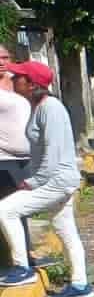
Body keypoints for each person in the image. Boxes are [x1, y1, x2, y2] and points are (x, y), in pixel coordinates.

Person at [0, 61, 92, 297]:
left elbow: (52, 155)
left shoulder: (50, 108)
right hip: (58, 179)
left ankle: (22, 268)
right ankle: (81, 285)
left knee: (5, 210)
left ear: (31, 84)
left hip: (56, 180)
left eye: (18, 76)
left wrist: (32, 181)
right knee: (65, 230)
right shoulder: (39, 105)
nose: (13, 78)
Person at [0, 49, 33, 264]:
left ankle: (26, 252)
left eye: (5, 57)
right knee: (7, 206)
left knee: (23, 206)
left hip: (27, 156)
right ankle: (11, 258)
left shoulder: (19, 82)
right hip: (3, 158)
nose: (2, 62)